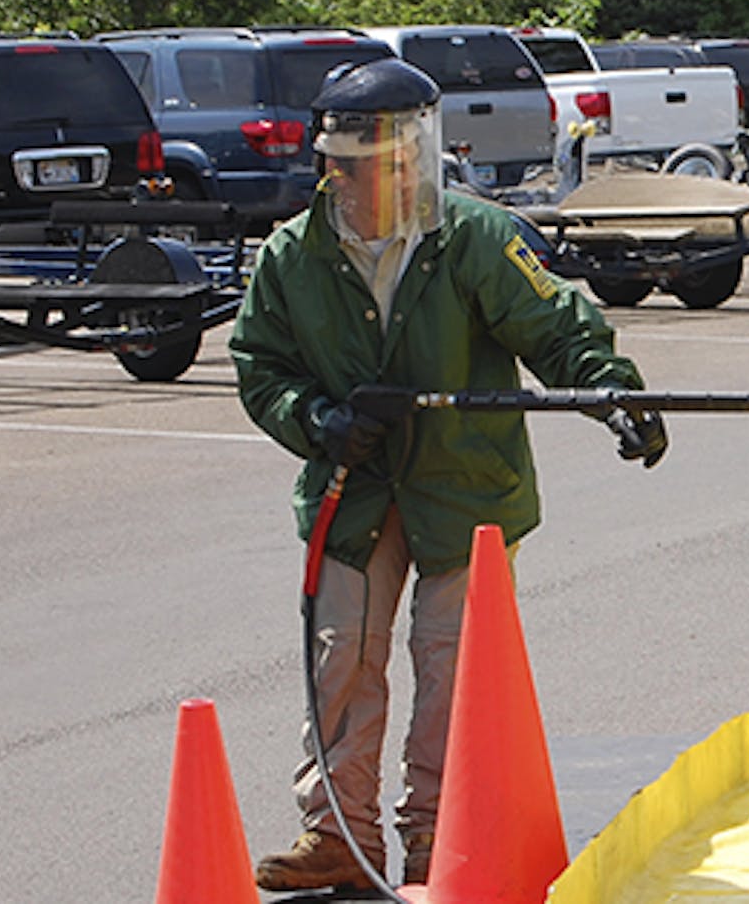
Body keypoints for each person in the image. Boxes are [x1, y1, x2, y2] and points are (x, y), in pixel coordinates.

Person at [229, 57, 667, 892]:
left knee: (451, 662)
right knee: (343, 658)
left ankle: (440, 832)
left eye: (398, 163)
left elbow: (557, 325)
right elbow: (261, 367)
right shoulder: (294, 255)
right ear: (333, 166)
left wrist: (613, 395)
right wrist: (320, 421)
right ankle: (338, 835)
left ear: (420, 155)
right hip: (355, 492)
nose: (380, 183)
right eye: (361, 168)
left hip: (464, 484)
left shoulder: (472, 236)